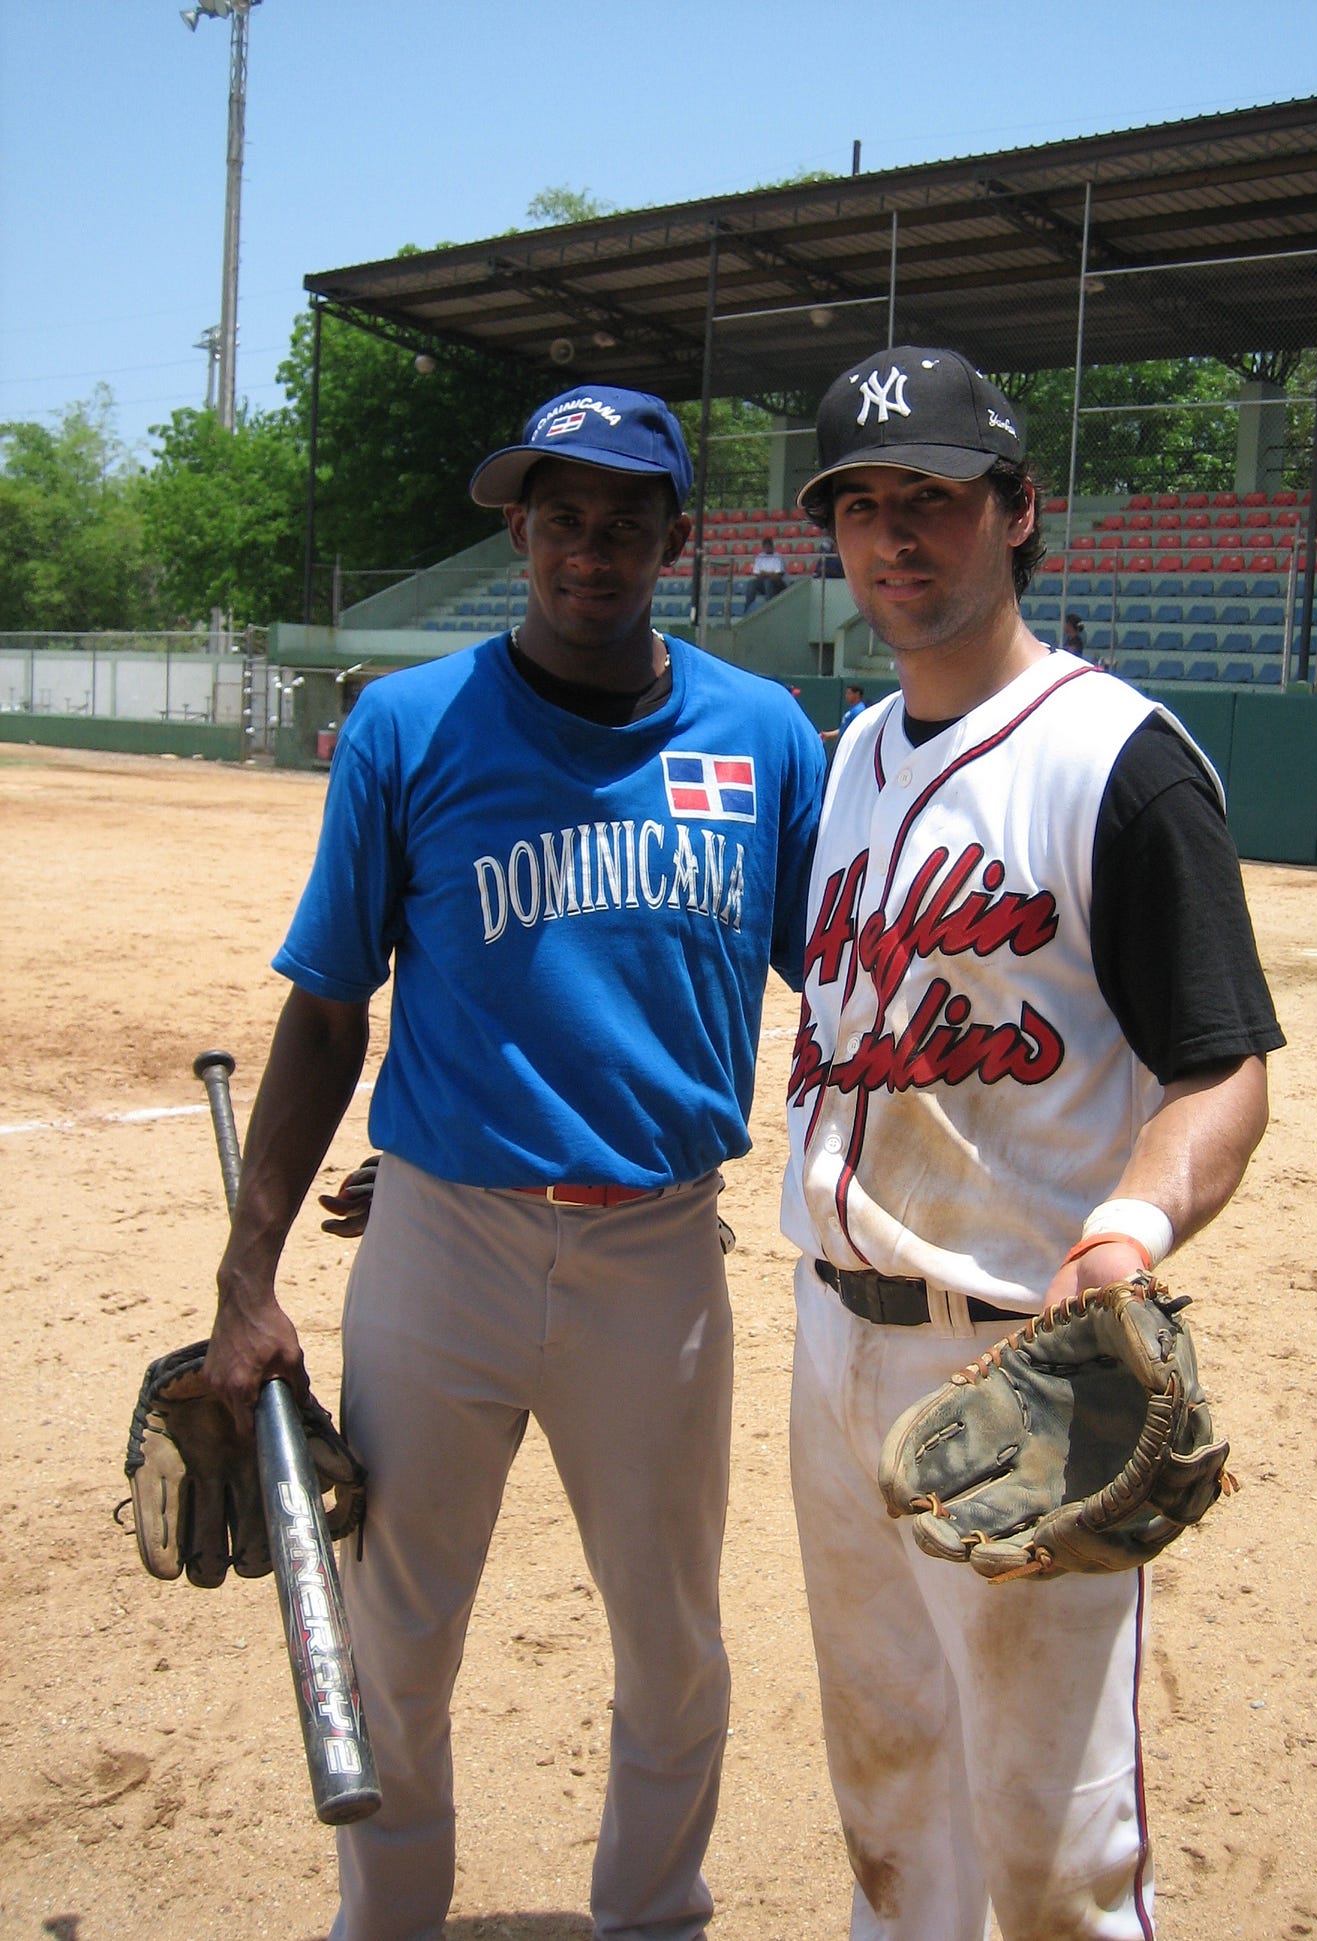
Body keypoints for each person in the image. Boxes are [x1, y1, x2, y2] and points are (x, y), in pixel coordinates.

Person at [203, 384, 825, 1941]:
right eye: (560, 519)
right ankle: (390, 1921)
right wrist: (247, 1275)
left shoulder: (762, 734)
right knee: (396, 1635)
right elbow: (327, 1011)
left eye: (624, 522)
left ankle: (653, 1918)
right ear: (520, 532)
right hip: (442, 1248)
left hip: (658, 1256)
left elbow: (854, 993)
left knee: (673, 1643)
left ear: (678, 541)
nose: (588, 551)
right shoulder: (409, 725)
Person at [780, 347, 1284, 1941]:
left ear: (1017, 511)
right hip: (828, 1336)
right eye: (860, 503)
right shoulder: (855, 753)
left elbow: (1223, 1070)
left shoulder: (1119, 759)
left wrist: (1129, 1229)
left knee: (1059, 1855)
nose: (892, 534)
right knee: (888, 1800)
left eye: (931, 497)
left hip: (1017, 1365)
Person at [742, 531, 788, 611]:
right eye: (765, 547)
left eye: (768, 547)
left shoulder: (778, 557)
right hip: (764, 582)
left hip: (779, 584)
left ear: (772, 546)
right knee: (752, 582)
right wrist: (768, 574)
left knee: (768, 581)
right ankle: (747, 608)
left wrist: (765, 574)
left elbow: (778, 576)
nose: (767, 549)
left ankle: (770, 608)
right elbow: (757, 575)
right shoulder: (760, 556)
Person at [821, 682, 866, 747]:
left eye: (849, 693)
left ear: (857, 694)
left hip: (850, 746)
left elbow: (857, 732)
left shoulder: (859, 710)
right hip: (844, 745)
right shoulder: (852, 709)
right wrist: (827, 735)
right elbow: (844, 729)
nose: (846, 696)